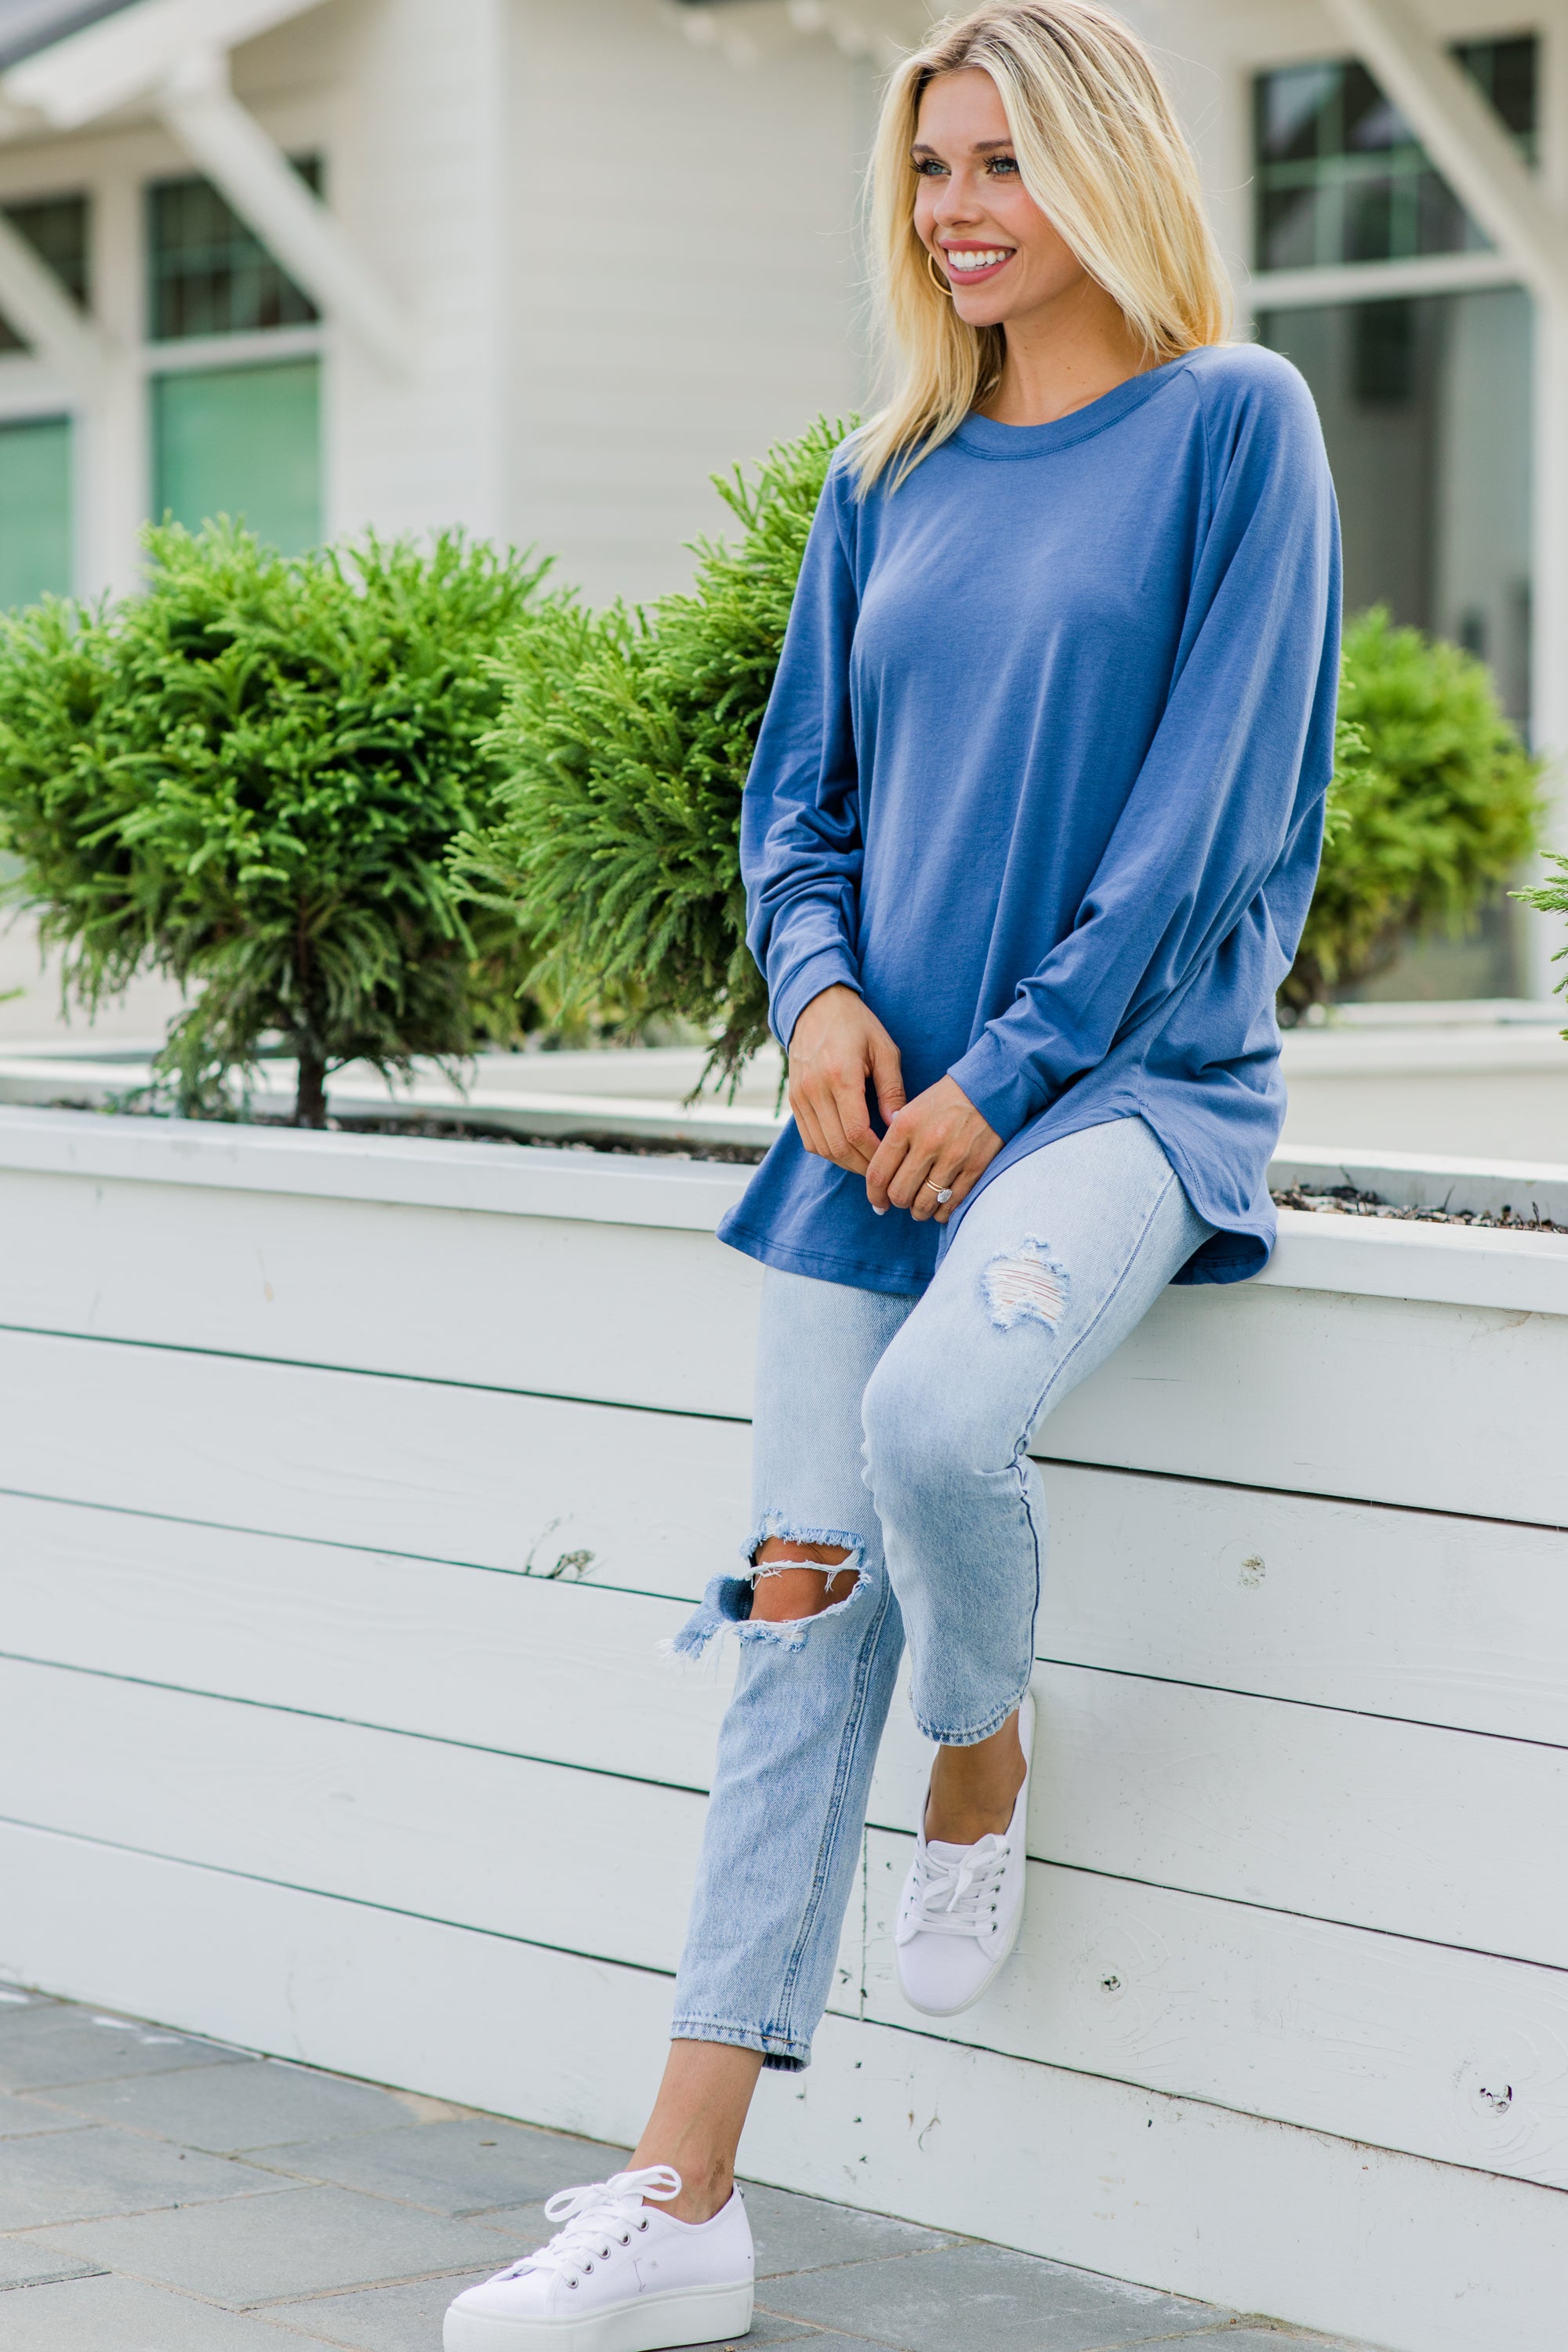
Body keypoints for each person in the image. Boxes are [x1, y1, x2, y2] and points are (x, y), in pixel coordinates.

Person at [445, 3, 1338, 2345]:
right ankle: (687, 2193)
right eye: (932, 167)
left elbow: (1212, 819)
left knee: (945, 1429)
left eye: (1002, 165)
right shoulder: (888, 472)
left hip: (1130, 1094)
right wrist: (824, 995)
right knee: (789, 1610)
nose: (956, 210)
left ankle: (984, 1743)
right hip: (875, 1114)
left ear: (1110, 172)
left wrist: (1019, 1061)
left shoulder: (1238, 429)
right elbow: (794, 803)